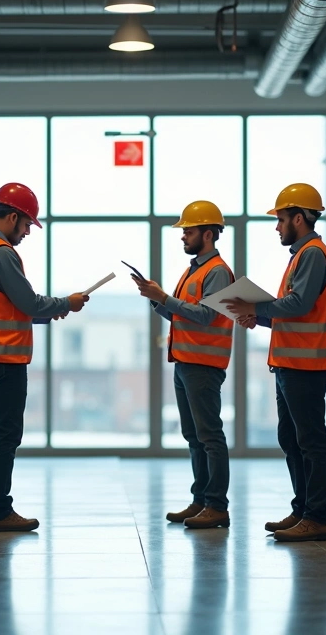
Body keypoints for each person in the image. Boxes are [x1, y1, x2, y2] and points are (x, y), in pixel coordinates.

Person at [0, 182, 89, 533]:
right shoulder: (2, 253)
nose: (27, 232)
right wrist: (65, 304)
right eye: (26, 225)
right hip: (4, 356)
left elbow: (3, 306)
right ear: (11, 217)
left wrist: (49, 312)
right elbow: (27, 302)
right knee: (5, 435)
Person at [223, 183, 326, 542]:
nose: (277, 227)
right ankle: (303, 509)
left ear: (298, 218)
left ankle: (318, 516)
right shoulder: (301, 255)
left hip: (306, 365)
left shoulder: (312, 254)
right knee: (291, 437)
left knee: (310, 440)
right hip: (292, 362)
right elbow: (293, 310)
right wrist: (257, 317)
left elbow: (299, 305)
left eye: (280, 220)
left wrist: (255, 308)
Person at [133, 201, 235, 530]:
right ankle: (201, 500)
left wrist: (164, 298)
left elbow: (206, 316)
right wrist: (155, 299)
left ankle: (217, 505)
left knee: (209, 436)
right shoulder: (194, 270)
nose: (183, 237)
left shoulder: (217, 271)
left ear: (208, 234)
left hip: (203, 363)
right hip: (185, 361)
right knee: (194, 435)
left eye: (188, 231)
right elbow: (182, 312)